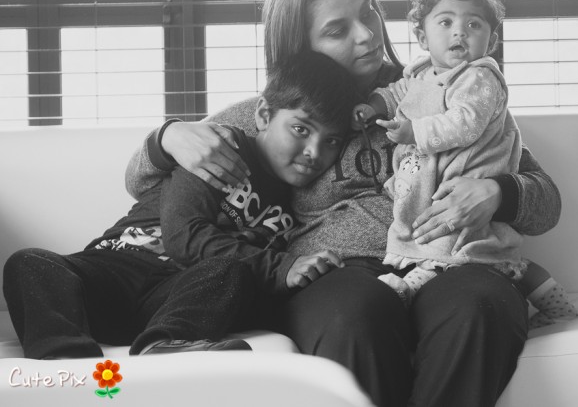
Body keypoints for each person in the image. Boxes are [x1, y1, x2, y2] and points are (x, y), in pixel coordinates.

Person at [122, 0, 563, 407]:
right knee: (354, 314)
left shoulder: (447, 89)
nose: (367, 35)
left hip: (449, 259)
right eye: (337, 30)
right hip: (338, 273)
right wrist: (167, 137)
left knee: (483, 306)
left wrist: (498, 192)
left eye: (368, 12)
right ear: (300, 45)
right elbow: (140, 182)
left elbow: (546, 203)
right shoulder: (282, 111)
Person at [2, 50, 355, 359]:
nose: (314, 153)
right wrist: (280, 267)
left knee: (230, 271)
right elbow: (184, 235)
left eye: (331, 141)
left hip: (174, 298)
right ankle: (66, 358)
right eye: (301, 129)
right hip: (118, 267)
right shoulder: (219, 146)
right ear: (264, 115)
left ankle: (166, 345)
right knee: (31, 262)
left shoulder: (305, 204)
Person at [355, 0, 577, 328]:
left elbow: (465, 123)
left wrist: (414, 131)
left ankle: (408, 288)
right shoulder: (421, 74)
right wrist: (373, 105)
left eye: (474, 24)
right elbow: (398, 93)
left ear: (492, 41)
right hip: (427, 188)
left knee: (451, 247)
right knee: (496, 255)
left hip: (469, 176)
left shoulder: (479, 78)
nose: (459, 31)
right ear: (422, 38)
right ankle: (558, 309)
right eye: (446, 22)